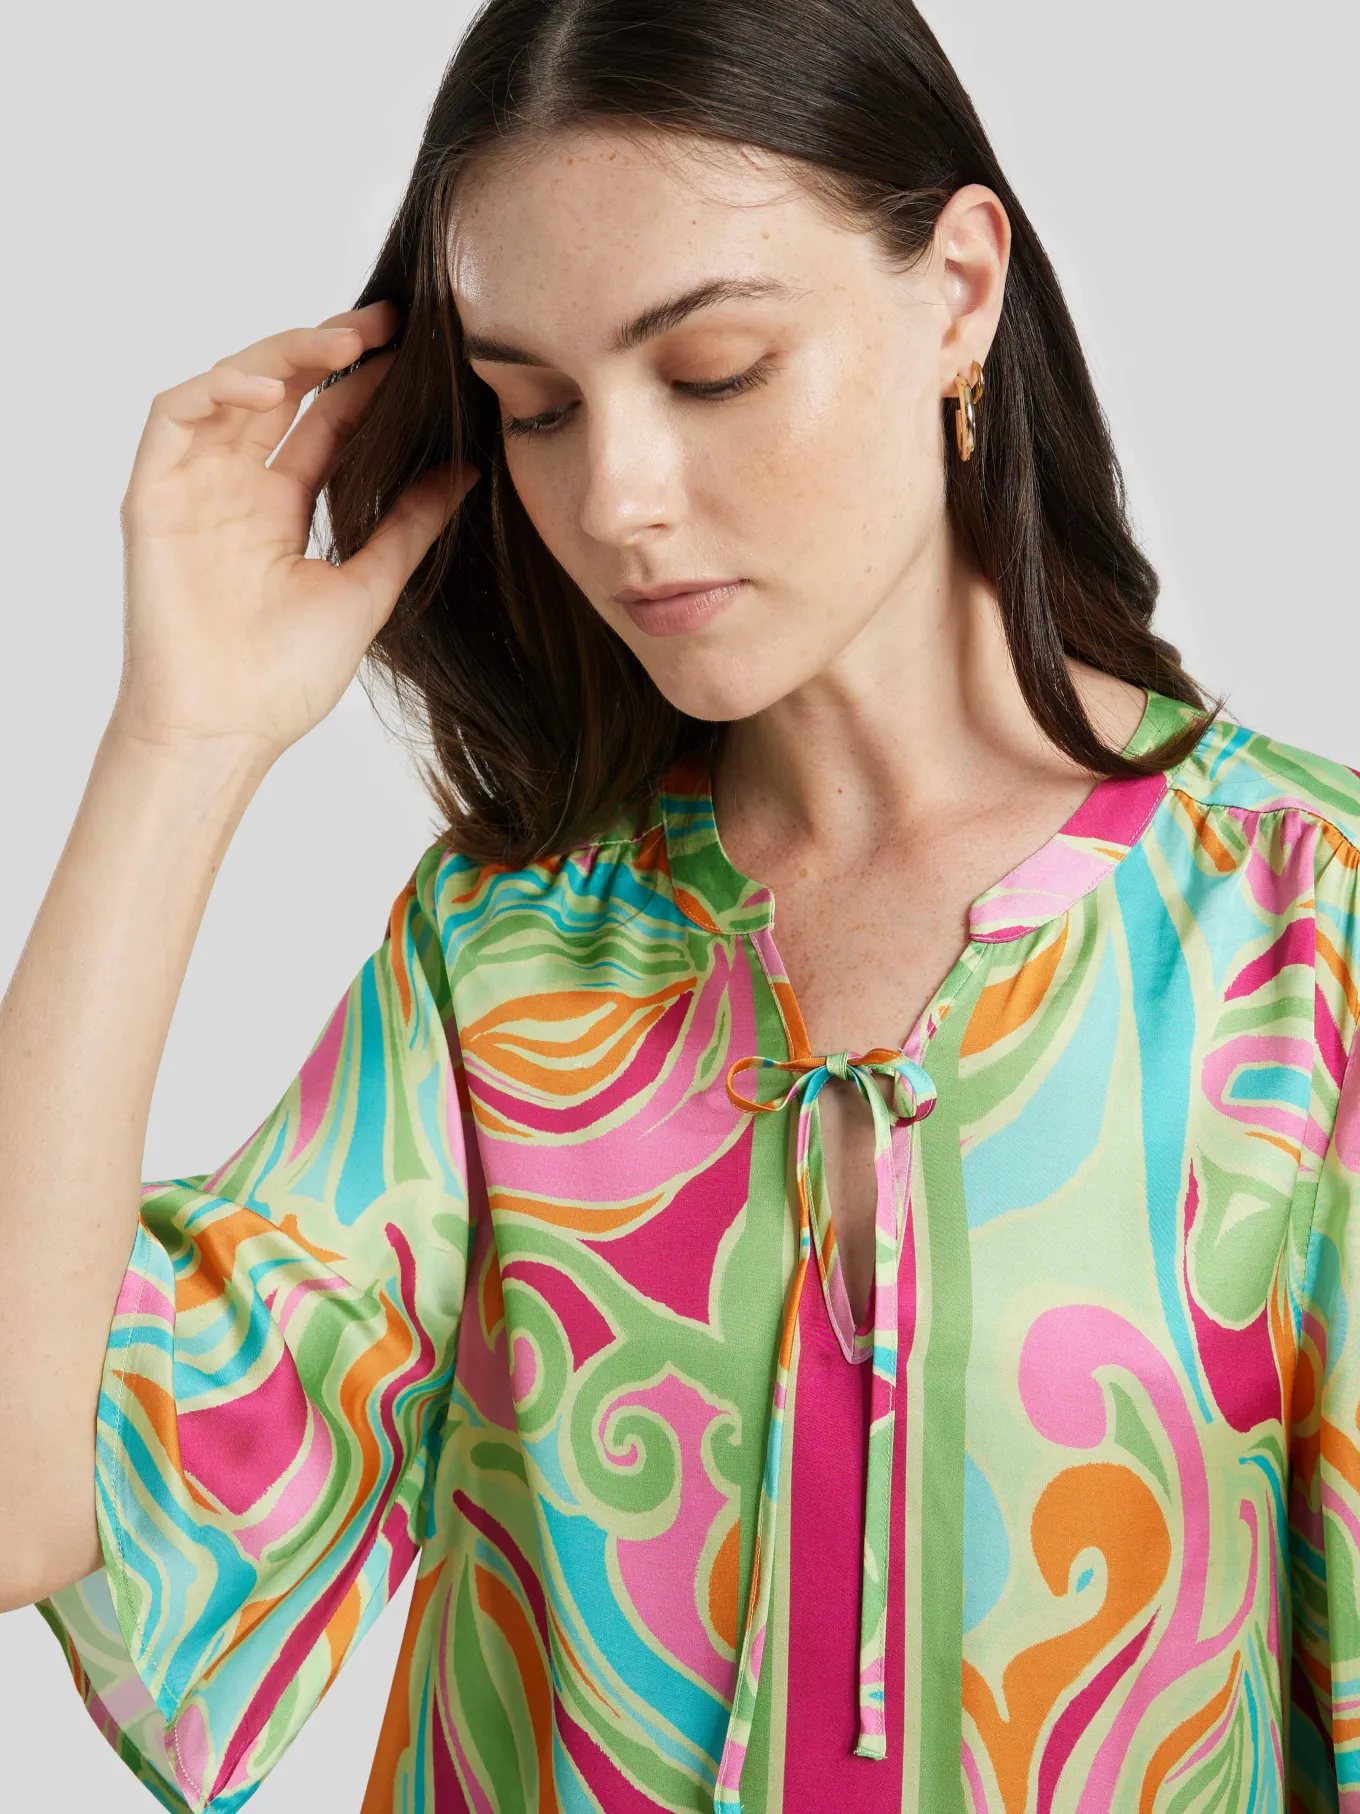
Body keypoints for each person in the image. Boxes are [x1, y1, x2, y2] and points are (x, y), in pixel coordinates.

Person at [2, 1, 1357, 1809]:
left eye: (713, 369)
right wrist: (179, 744)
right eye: (538, 409)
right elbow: (23, 1491)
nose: (616, 497)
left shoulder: (1306, 933)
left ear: (959, 291)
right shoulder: (504, 963)